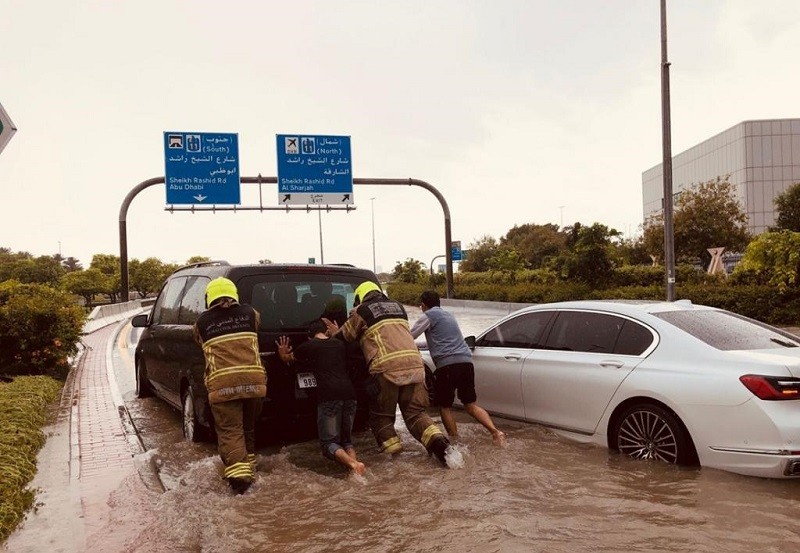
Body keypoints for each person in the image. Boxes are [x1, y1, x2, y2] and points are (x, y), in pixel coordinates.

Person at [323, 281, 453, 466]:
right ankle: (443, 447)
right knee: (416, 414)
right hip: (415, 367)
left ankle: (395, 463)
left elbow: (346, 336)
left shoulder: (362, 311)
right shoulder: (399, 307)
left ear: (360, 298)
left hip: (385, 369)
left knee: (381, 417)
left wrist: (334, 333)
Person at [193, 277, 267, 494]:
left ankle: (240, 481)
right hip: (254, 382)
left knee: (230, 431)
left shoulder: (201, 324)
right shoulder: (251, 314)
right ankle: (250, 467)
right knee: (247, 428)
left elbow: (199, 342)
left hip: (223, 385)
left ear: (209, 298)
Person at [410, 290, 506, 446]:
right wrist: (419, 345)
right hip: (466, 363)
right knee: (470, 405)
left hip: (447, 366)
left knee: (445, 407)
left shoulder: (428, 315)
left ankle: (455, 443)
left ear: (423, 305)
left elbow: (410, 335)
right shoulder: (449, 315)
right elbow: (441, 340)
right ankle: (495, 432)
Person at [276, 320, 366, 476]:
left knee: (328, 443)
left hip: (329, 396)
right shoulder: (340, 344)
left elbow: (287, 359)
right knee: (346, 441)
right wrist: (337, 333)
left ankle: (354, 464)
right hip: (350, 394)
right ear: (326, 332)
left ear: (310, 336)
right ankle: (356, 473)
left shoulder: (308, 346)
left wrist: (282, 352)